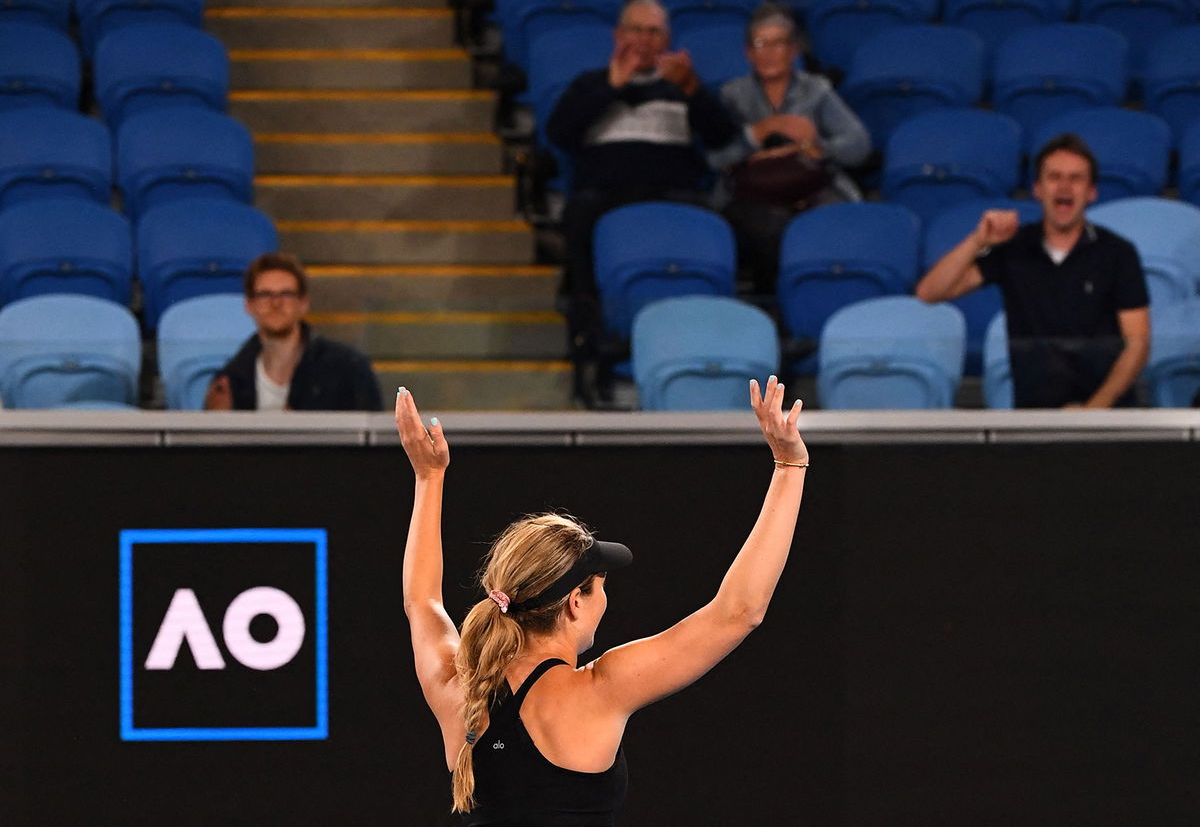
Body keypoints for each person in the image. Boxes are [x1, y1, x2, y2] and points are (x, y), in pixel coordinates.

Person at [395, 375, 808, 824]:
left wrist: (429, 476)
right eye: (601, 583)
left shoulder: (458, 691)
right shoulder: (598, 690)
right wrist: (789, 467)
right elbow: (739, 612)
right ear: (575, 601)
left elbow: (422, 602)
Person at [546, 0, 740, 394]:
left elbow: (723, 136)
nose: (645, 39)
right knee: (580, 212)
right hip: (606, 196)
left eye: (654, 32)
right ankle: (589, 321)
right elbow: (559, 134)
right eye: (636, 29)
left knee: (716, 220)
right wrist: (611, 87)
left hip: (672, 195)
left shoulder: (681, 87)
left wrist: (692, 89)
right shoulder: (590, 84)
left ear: (666, 39)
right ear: (619, 35)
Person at [915, 134, 1150, 408]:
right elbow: (929, 293)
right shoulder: (1013, 246)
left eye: (1075, 178)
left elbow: (1138, 345)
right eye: (1054, 177)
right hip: (1035, 415)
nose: (1064, 186)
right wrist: (977, 240)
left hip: (1109, 417)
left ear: (1091, 192)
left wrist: (1092, 411)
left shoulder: (1118, 252)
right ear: (1038, 189)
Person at [708, 2, 871, 293]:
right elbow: (716, 158)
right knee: (770, 225)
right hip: (753, 192)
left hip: (812, 185)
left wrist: (815, 147)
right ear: (748, 53)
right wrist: (758, 135)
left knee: (831, 219)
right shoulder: (732, 95)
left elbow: (859, 145)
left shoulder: (816, 90)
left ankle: (822, 300)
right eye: (760, 44)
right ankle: (779, 308)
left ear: (793, 50)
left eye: (779, 43)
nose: (770, 52)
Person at [204, 252, 383, 411]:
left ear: (304, 303)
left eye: (286, 294)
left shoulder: (348, 369)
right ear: (249, 305)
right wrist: (218, 418)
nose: (276, 304)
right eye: (265, 295)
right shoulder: (230, 380)